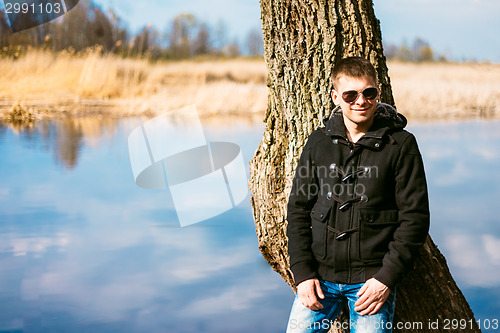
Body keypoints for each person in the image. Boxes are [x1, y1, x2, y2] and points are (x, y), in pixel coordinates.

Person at [285, 57, 430, 333]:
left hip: (371, 281)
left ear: (378, 93)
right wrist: (303, 274)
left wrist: (386, 278)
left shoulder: (400, 145)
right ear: (336, 97)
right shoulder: (318, 143)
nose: (360, 101)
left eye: (369, 93)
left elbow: (415, 218)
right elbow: (298, 209)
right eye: (351, 94)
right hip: (319, 280)